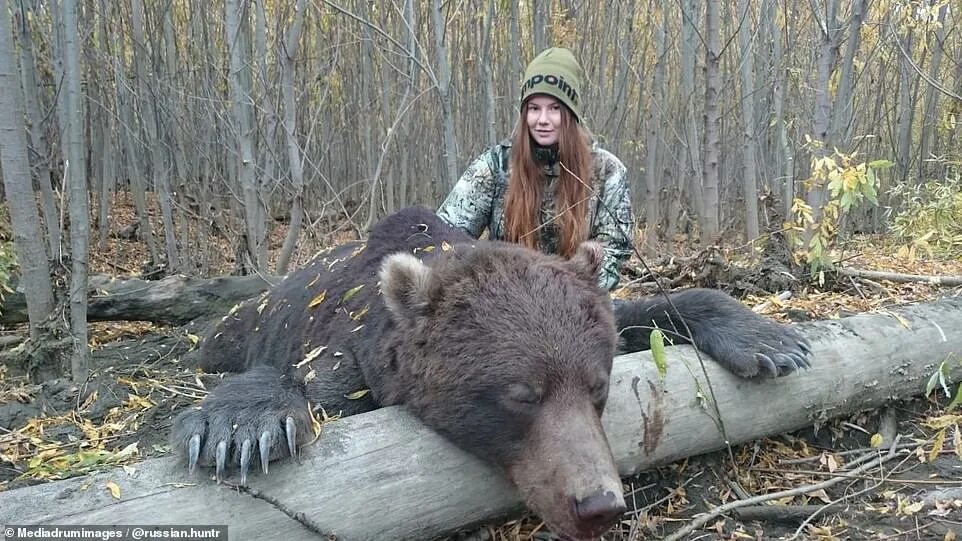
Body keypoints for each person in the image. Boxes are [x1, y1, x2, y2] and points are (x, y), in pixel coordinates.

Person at [437, 47, 635, 291]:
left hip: (578, 301)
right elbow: (446, 235)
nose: (543, 119)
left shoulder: (607, 171)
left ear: (571, 114)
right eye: (534, 108)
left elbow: (614, 250)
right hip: (507, 300)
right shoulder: (496, 165)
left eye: (554, 109)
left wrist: (565, 290)